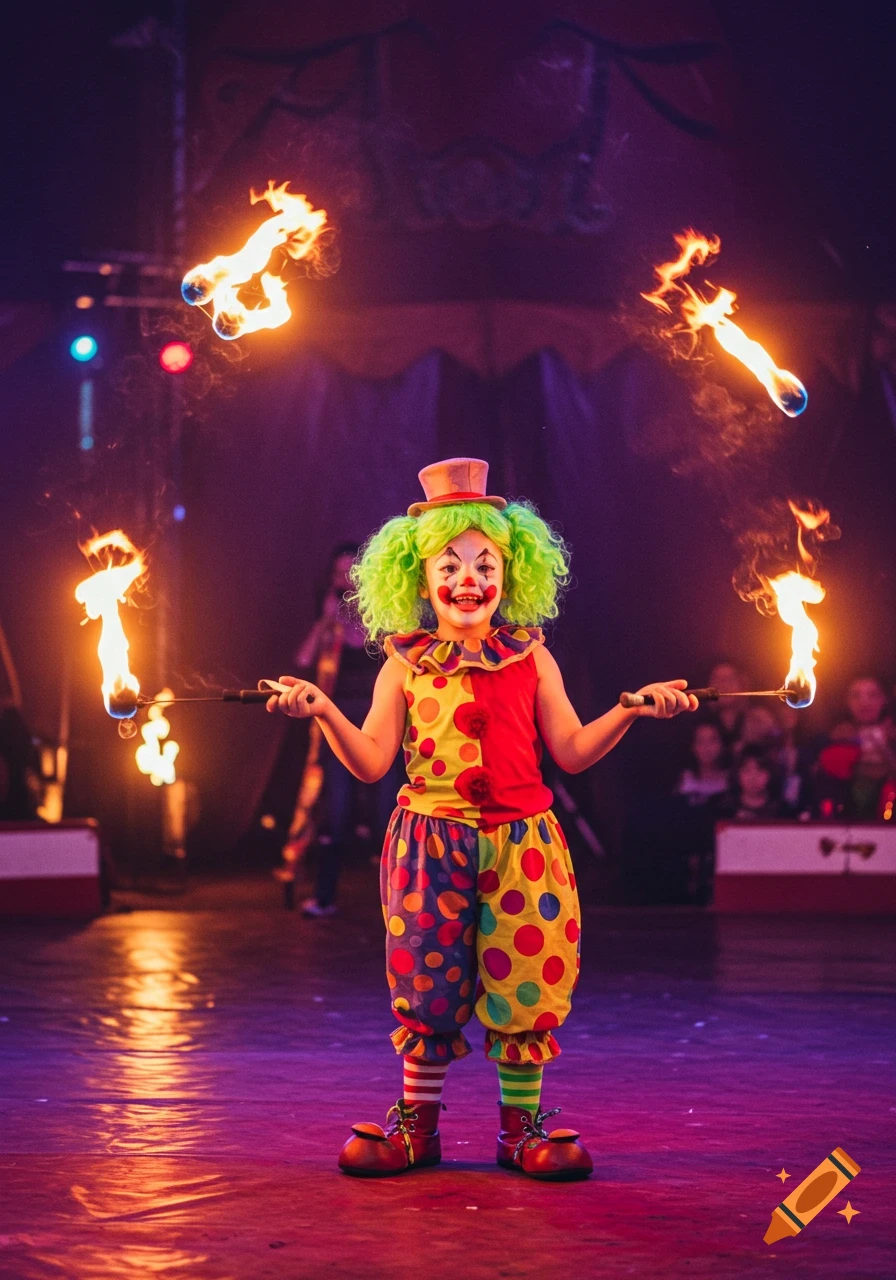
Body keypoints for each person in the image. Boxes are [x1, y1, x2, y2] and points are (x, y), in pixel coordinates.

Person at [267, 458, 697, 1180]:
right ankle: (418, 1129)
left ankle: (520, 1131)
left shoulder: (533, 658)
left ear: (511, 573)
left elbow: (571, 750)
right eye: (451, 563)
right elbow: (373, 762)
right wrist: (323, 710)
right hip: (427, 845)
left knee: (526, 978)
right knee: (425, 983)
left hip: (523, 845)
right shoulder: (401, 665)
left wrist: (627, 710)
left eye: (486, 563)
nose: (469, 579)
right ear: (418, 576)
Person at [293, 544, 403, 917]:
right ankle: (324, 897)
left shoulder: (384, 619)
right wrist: (325, 621)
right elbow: (303, 660)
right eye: (338, 573)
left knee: (387, 814)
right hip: (339, 729)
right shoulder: (331, 624)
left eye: (351, 572)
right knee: (334, 814)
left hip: (383, 728)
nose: (344, 580)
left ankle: (403, 902)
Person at [816, 675, 896, 820]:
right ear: (846, 701)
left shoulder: (892, 739)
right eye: (856, 695)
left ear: (884, 699)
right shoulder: (834, 740)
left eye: (872, 695)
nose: (864, 702)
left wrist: (884, 749)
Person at [714, 745, 789, 822]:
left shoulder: (783, 811)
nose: (753, 777)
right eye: (746, 770)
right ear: (737, 774)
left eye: (760, 770)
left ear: (770, 773)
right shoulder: (723, 808)